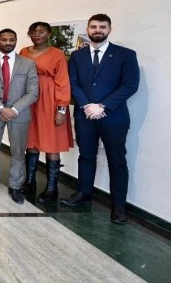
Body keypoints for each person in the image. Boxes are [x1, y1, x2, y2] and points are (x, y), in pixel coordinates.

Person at [61, 14, 140, 225]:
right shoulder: (77, 56)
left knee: (117, 161)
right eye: (94, 26)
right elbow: (73, 84)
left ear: (109, 30)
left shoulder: (125, 55)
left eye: (102, 27)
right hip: (85, 115)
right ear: (88, 30)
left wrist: (102, 106)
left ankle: (119, 206)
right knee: (86, 156)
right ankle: (84, 193)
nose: (98, 30)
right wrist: (87, 106)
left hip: (114, 117)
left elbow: (130, 85)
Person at [19, 22, 74, 202]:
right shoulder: (24, 52)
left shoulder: (57, 54)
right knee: (31, 141)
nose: (37, 34)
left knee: (52, 142)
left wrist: (61, 110)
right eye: (33, 31)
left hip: (50, 100)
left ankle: (52, 188)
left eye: (41, 31)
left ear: (49, 34)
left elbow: (63, 83)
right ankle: (30, 181)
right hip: (28, 100)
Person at [0, 29, 39, 204]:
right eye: (4, 39)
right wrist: (1, 108)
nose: (8, 43)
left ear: (16, 41)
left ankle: (15, 186)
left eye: (11, 40)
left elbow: (33, 93)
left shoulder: (28, 64)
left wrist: (12, 110)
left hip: (19, 114)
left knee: (18, 151)